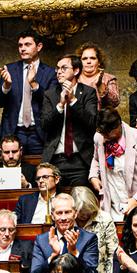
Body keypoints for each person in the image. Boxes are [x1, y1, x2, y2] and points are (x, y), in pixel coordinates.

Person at [40, 54, 99, 188]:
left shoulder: (88, 92)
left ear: (76, 71)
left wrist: (73, 101)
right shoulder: (50, 94)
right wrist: (60, 105)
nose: (59, 71)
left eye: (64, 68)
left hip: (80, 160)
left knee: (81, 198)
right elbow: (44, 124)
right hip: (56, 160)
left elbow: (92, 122)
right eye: (58, 68)